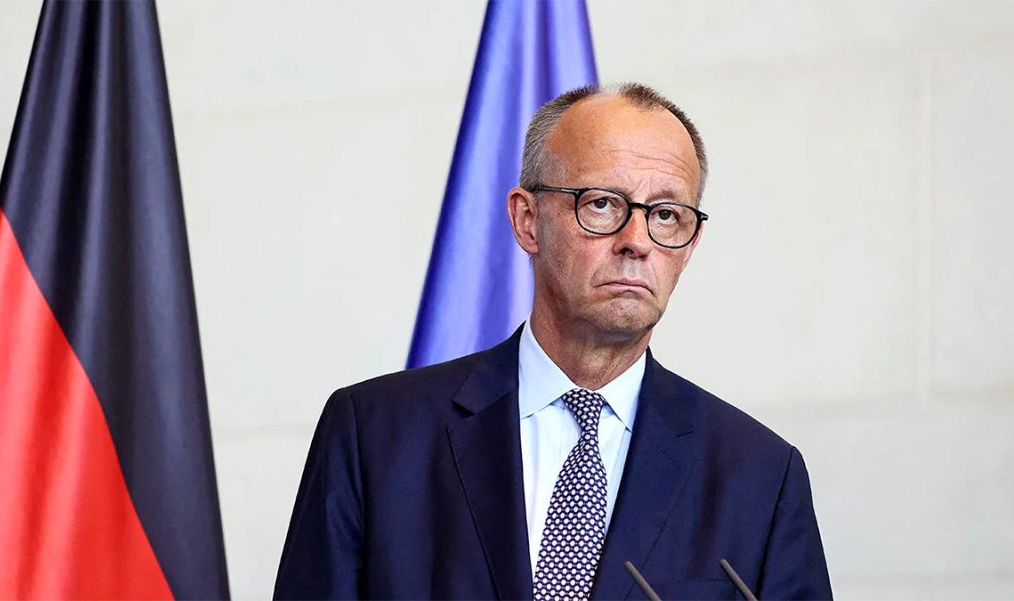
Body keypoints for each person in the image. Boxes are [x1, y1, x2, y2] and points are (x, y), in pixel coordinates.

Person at [274, 83, 833, 600]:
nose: (637, 240)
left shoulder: (760, 476)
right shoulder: (374, 435)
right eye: (602, 204)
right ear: (527, 220)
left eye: (666, 214)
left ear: (689, 245)